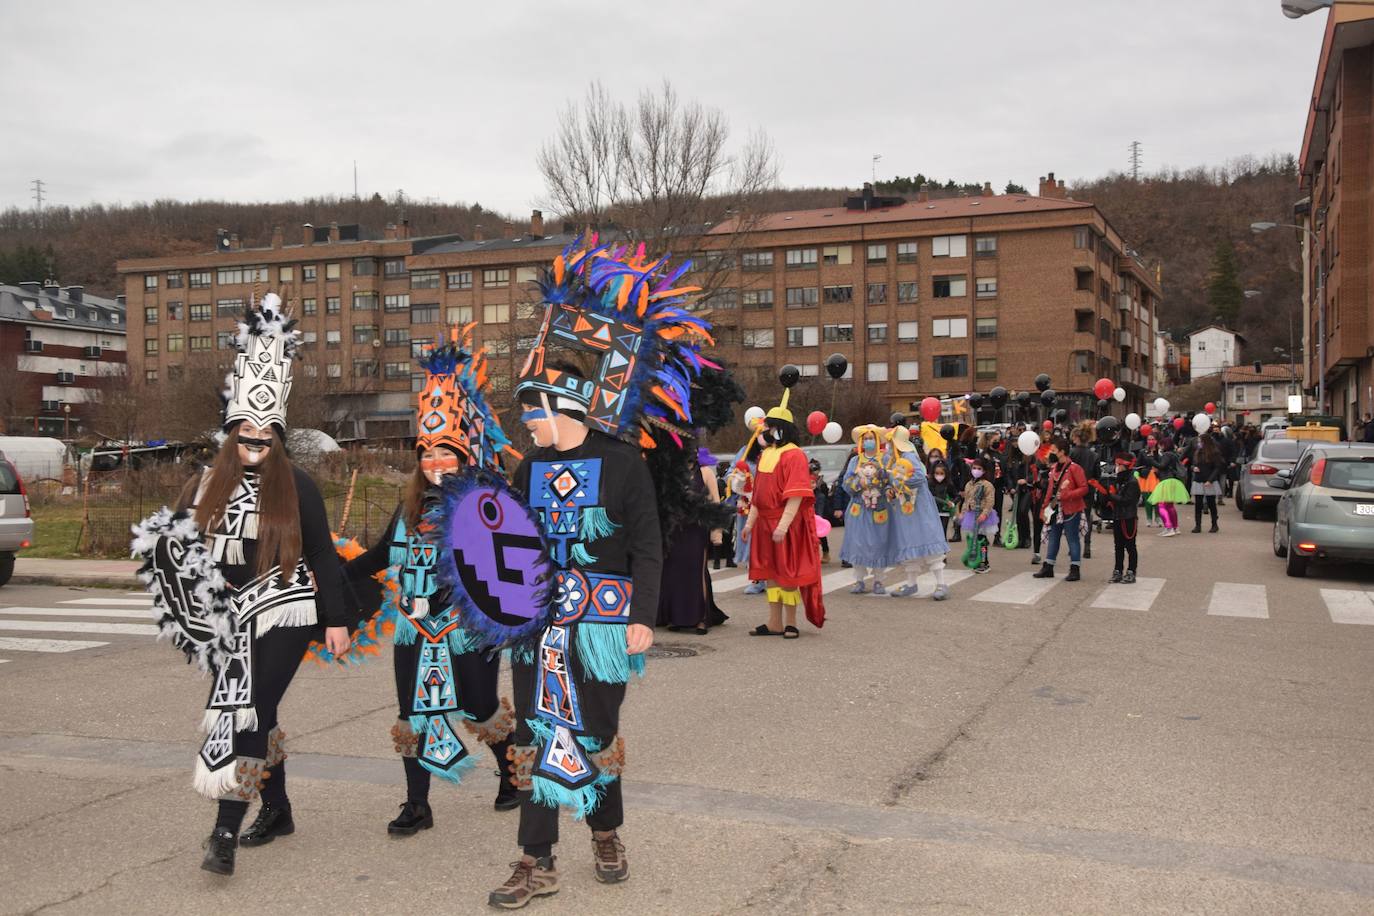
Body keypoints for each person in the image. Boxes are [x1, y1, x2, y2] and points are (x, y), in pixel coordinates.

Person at [484, 238, 712, 908]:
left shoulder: (623, 464)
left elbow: (648, 546)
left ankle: (606, 832)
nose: (526, 422)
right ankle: (536, 858)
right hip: (539, 627)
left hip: (605, 625)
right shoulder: (527, 470)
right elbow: (516, 547)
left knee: (595, 733)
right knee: (533, 731)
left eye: (534, 411)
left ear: (567, 409)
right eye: (525, 411)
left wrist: (642, 617)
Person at [133, 296, 352, 877]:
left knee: (248, 711)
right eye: (244, 432)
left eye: (265, 433)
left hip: (286, 610)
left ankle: (224, 832)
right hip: (226, 624)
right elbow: (174, 553)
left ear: (278, 435)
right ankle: (276, 809)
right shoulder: (202, 486)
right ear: (230, 433)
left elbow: (325, 556)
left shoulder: (298, 486)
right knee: (263, 712)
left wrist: (337, 619)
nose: (255, 441)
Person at [339, 330, 523, 834]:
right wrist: (331, 571)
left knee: (480, 705)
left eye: (446, 454)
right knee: (411, 712)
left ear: (465, 457)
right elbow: (380, 556)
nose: (435, 464)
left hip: (468, 627)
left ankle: (512, 776)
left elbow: (508, 571)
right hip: (413, 628)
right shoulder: (409, 506)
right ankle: (417, 805)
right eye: (427, 454)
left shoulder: (486, 507)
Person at [744, 385, 825, 638]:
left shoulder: (794, 455)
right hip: (764, 524)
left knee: (788, 574)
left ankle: (791, 622)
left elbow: (797, 496)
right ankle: (773, 622)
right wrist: (749, 523)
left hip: (785, 525)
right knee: (770, 574)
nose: (766, 432)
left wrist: (783, 525)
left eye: (769, 427)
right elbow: (758, 496)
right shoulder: (765, 455)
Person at [657, 444, 729, 634]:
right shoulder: (672, 473)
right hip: (674, 530)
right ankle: (677, 617)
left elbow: (715, 502)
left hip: (697, 529)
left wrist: (717, 533)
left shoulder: (706, 473)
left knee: (696, 572)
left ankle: (702, 618)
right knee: (673, 574)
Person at [884, 426, 951, 598]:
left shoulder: (909, 456)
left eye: (891, 443)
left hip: (919, 507)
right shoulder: (891, 459)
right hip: (904, 508)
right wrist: (890, 488)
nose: (889, 446)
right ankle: (911, 584)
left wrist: (897, 480)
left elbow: (919, 477)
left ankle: (941, 584)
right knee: (909, 541)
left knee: (928, 539)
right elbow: (889, 481)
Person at [840, 424, 894, 593]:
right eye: (866, 439)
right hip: (859, 508)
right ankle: (859, 580)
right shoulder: (855, 460)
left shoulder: (885, 459)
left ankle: (879, 580)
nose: (869, 441)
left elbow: (892, 480)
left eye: (871, 438)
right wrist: (859, 484)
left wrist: (886, 487)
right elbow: (846, 483)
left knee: (879, 543)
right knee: (858, 543)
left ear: (877, 440)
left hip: (879, 508)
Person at [1033, 436, 1088, 581]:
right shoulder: (1054, 469)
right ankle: (1048, 566)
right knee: (1053, 537)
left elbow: (1084, 488)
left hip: (1071, 508)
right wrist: (1044, 509)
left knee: (1072, 539)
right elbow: (1050, 491)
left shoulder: (1075, 468)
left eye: (1054, 450)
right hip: (1055, 508)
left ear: (1062, 452)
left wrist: (1068, 494)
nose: (1051, 453)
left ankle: (1075, 569)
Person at [1091, 452, 1141, 583]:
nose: (1116, 467)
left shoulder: (1132, 482)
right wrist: (1104, 494)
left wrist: (1110, 495)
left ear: (1126, 466)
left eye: (1119, 465)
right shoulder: (1119, 480)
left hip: (1129, 517)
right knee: (1118, 546)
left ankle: (1131, 571)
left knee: (1130, 546)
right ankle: (1117, 570)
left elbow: (1126, 500)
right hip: (1118, 516)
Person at [958, 456, 997, 573]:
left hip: (982, 515)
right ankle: (976, 560)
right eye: (974, 468)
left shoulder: (987, 485)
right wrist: (963, 513)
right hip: (971, 515)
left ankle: (984, 562)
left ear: (984, 471)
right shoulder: (969, 484)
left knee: (981, 539)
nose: (976, 470)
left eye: (979, 468)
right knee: (973, 539)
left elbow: (990, 501)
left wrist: (984, 514)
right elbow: (967, 500)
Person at [1143, 439, 1188, 537]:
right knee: (1170, 506)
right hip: (1173, 480)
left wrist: (1151, 461)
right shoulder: (1174, 454)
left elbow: (1162, 466)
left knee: (1162, 506)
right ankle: (1175, 527)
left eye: (1161, 445)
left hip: (1166, 481)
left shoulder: (1166, 455)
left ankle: (1168, 527)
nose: (1159, 447)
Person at [1069, 422, 1098, 559]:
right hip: (1088, 489)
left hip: (1074, 489)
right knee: (1086, 517)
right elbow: (1097, 473)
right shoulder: (1093, 455)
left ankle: (1073, 545)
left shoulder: (1072, 453)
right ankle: (1087, 545)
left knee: (1072, 517)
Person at [1188, 432, 1225, 534]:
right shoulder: (1197, 452)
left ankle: (1214, 524)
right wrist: (1193, 468)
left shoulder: (1214, 452)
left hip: (1209, 480)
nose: (1199, 443)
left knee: (1211, 503)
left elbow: (1217, 467)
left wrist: (1210, 480)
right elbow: (1192, 464)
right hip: (1198, 479)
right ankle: (1198, 525)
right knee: (1198, 504)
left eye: (1200, 441)